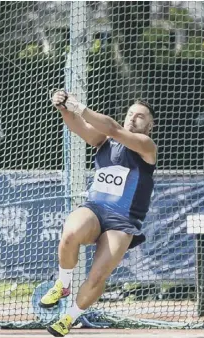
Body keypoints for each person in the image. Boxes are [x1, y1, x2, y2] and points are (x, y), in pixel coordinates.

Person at [40, 90, 157, 337]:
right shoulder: (105, 140)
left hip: (123, 222)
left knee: (98, 275)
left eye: (140, 117)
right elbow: (78, 127)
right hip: (95, 209)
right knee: (71, 231)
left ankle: (68, 318)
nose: (133, 119)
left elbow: (114, 128)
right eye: (130, 114)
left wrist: (78, 105)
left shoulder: (146, 146)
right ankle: (63, 284)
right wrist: (63, 107)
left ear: (150, 125)